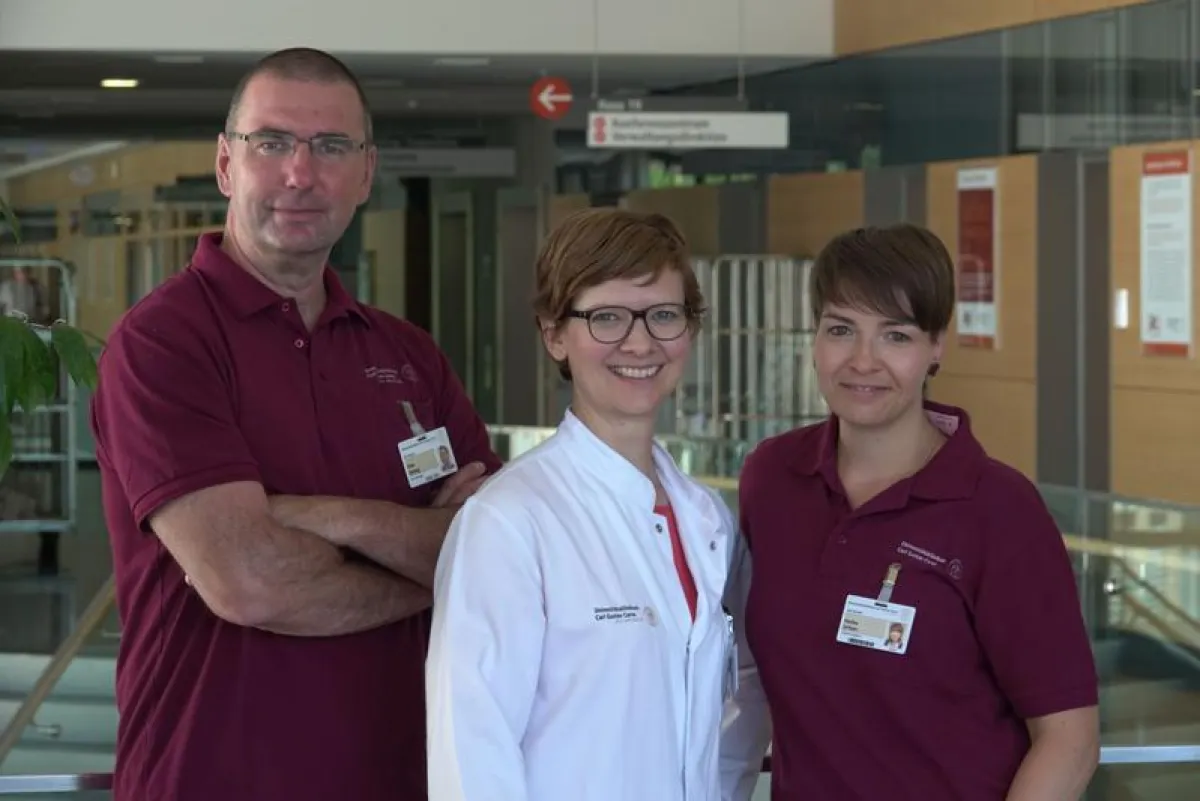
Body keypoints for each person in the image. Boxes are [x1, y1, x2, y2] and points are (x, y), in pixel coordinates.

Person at [89, 48, 501, 801]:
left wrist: (326, 518)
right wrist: (435, 572)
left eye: (331, 146)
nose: (300, 174)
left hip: (404, 778)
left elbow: (501, 555)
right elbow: (250, 584)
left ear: (366, 172)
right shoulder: (164, 343)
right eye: (271, 142)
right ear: (225, 164)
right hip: (210, 780)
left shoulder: (407, 355)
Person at [720, 224, 1100, 800]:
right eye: (841, 329)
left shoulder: (998, 511)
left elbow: (1069, 739)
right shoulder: (772, 479)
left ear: (936, 346)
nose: (863, 361)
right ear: (815, 339)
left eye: (895, 336)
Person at [425, 208, 746, 801]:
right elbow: (471, 756)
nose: (640, 341)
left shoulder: (707, 518)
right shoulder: (510, 521)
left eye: (664, 316)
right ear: (554, 334)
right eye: (607, 318)